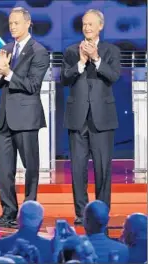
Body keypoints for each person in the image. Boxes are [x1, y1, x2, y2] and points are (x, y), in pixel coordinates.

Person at [0, 7, 49, 228]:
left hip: (25, 118)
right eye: (10, 23)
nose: (12, 26)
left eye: (16, 23)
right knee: (4, 170)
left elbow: (33, 86)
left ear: (28, 23)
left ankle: (30, 213)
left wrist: (9, 74)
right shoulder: (5, 49)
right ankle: (8, 212)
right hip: (4, 118)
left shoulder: (39, 51)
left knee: (30, 167)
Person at [61, 9, 121, 225]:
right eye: (84, 24)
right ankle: (81, 213)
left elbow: (114, 76)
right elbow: (64, 79)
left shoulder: (111, 51)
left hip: (102, 119)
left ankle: (101, 213)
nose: (87, 27)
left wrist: (95, 59)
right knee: (78, 168)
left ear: (100, 27)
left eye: (91, 24)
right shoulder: (70, 51)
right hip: (77, 118)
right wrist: (79, 62)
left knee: (103, 168)